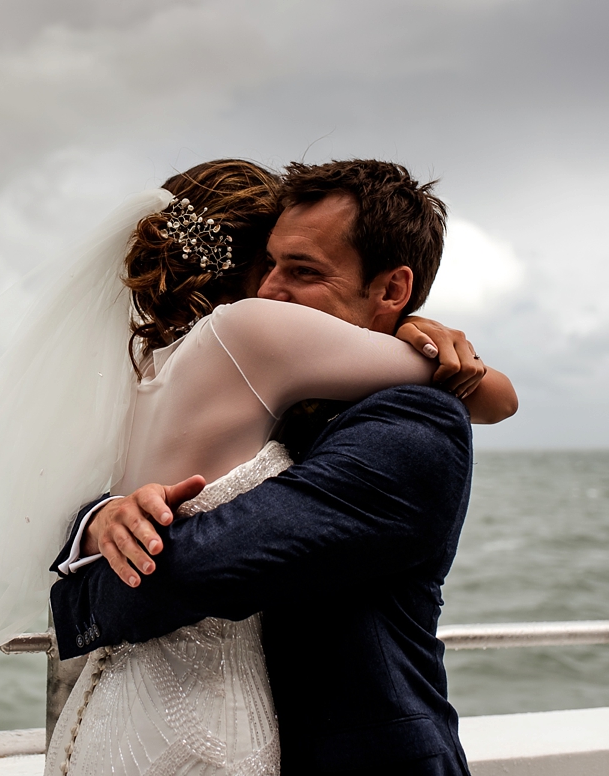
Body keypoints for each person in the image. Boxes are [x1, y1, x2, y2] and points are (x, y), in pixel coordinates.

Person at [49, 160, 515, 775]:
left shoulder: (413, 425)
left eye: (302, 271)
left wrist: (72, 597)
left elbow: (190, 571)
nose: (268, 290)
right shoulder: (271, 394)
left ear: (392, 290)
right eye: (267, 265)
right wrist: (102, 519)